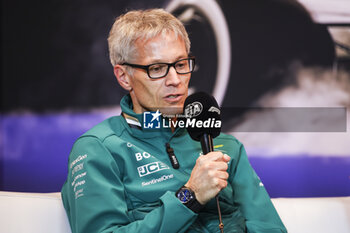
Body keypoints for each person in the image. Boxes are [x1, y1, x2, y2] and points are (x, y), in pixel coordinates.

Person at [61, 8, 287, 233]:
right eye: (157, 68)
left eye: (181, 65)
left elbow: (270, 228)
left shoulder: (228, 148)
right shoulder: (98, 149)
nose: (175, 80)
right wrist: (190, 196)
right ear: (124, 76)